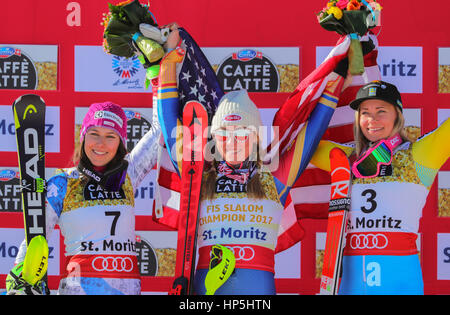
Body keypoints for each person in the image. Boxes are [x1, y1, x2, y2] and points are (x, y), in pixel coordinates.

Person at [156, 25, 351, 294]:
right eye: (223, 133)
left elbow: (312, 134)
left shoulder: (274, 177)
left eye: (243, 133)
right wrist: (166, 70)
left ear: (257, 137)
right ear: (213, 136)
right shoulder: (197, 174)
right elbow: (170, 126)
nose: (232, 141)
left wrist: (334, 86)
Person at [310, 79, 450, 294]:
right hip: (352, 283)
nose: (372, 119)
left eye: (381, 111)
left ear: (398, 116)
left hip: (400, 280)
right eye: (365, 112)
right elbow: (302, 144)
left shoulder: (419, 154)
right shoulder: (346, 158)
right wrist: (338, 73)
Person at [9, 100, 161, 295]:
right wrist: (21, 278)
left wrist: (157, 77)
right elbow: (35, 237)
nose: (100, 143)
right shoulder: (63, 182)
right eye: (94, 134)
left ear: (121, 142)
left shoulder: (128, 173)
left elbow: (159, 132)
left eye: (110, 136)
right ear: (83, 136)